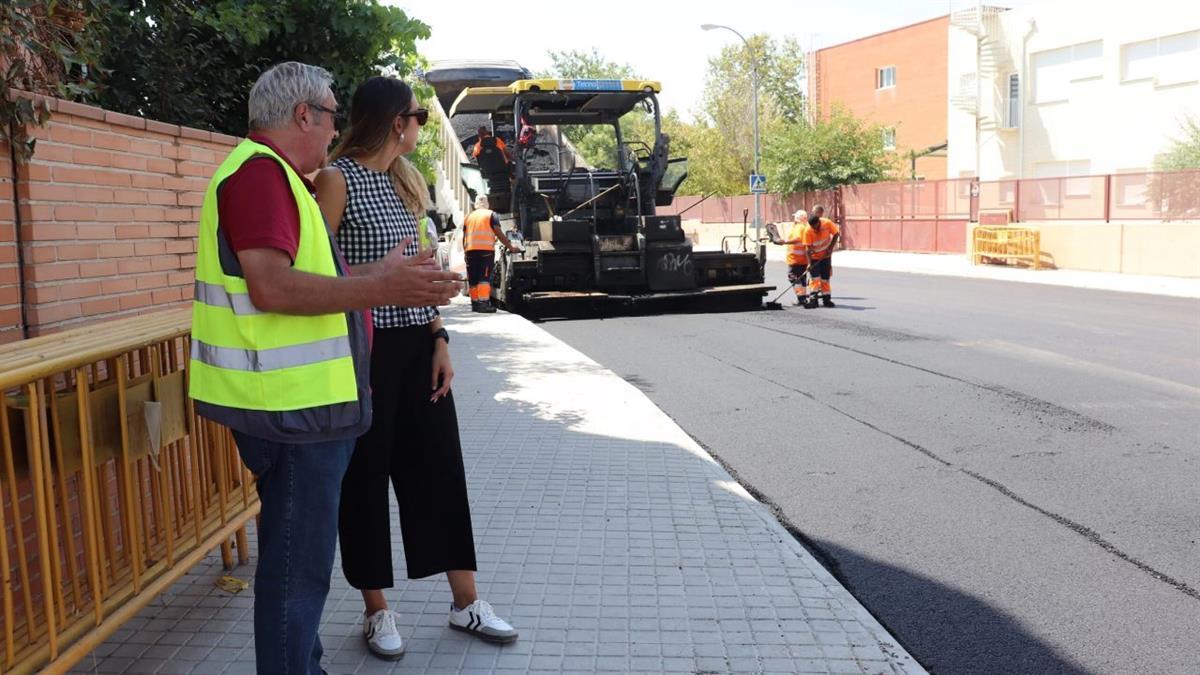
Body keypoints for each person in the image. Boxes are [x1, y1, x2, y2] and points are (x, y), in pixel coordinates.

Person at [189, 62, 461, 675]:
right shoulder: (262, 178)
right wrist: (380, 287)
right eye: (333, 113)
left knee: (300, 567)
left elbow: (312, 281)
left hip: (299, 409)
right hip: (291, 414)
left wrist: (387, 282)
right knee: (297, 573)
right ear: (304, 114)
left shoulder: (277, 177)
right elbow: (273, 288)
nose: (337, 126)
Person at [313, 76, 519, 661]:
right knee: (366, 481)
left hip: (418, 348)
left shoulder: (404, 179)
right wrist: (380, 276)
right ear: (391, 120)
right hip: (367, 352)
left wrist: (441, 338)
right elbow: (321, 277)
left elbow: (422, 272)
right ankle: (377, 610)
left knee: (440, 473)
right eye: (417, 117)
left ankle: (466, 603)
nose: (421, 127)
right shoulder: (335, 180)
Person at [462, 194, 519, 313]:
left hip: (470, 251)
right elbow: (498, 233)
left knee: (473, 278)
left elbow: (464, 237)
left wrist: (465, 252)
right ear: (487, 203)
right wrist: (510, 247)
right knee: (484, 277)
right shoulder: (491, 214)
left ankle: (475, 303)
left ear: (476, 205)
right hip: (485, 251)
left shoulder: (468, 217)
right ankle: (483, 303)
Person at [802, 210, 841, 308]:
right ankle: (813, 300)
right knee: (814, 279)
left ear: (819, 221)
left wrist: (830, 248)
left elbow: (836, 234)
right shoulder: (808, 230)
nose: (815, 228)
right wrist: (810, 263)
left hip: (826, 257)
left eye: (816, 226)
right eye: (813, 227)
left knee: (825, 278)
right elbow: (808, 249)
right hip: (815, 258)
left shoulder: (827, 223)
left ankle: (826, 299)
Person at [778, 209, 811, 306]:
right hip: (802, 259)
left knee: (793, 278)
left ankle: (801, 298)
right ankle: (803, 298)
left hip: (795, 259)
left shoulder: (799, 228)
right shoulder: (805, 227)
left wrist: (785, 242)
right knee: (802, 279)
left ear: (797, 218)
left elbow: (798, 239)